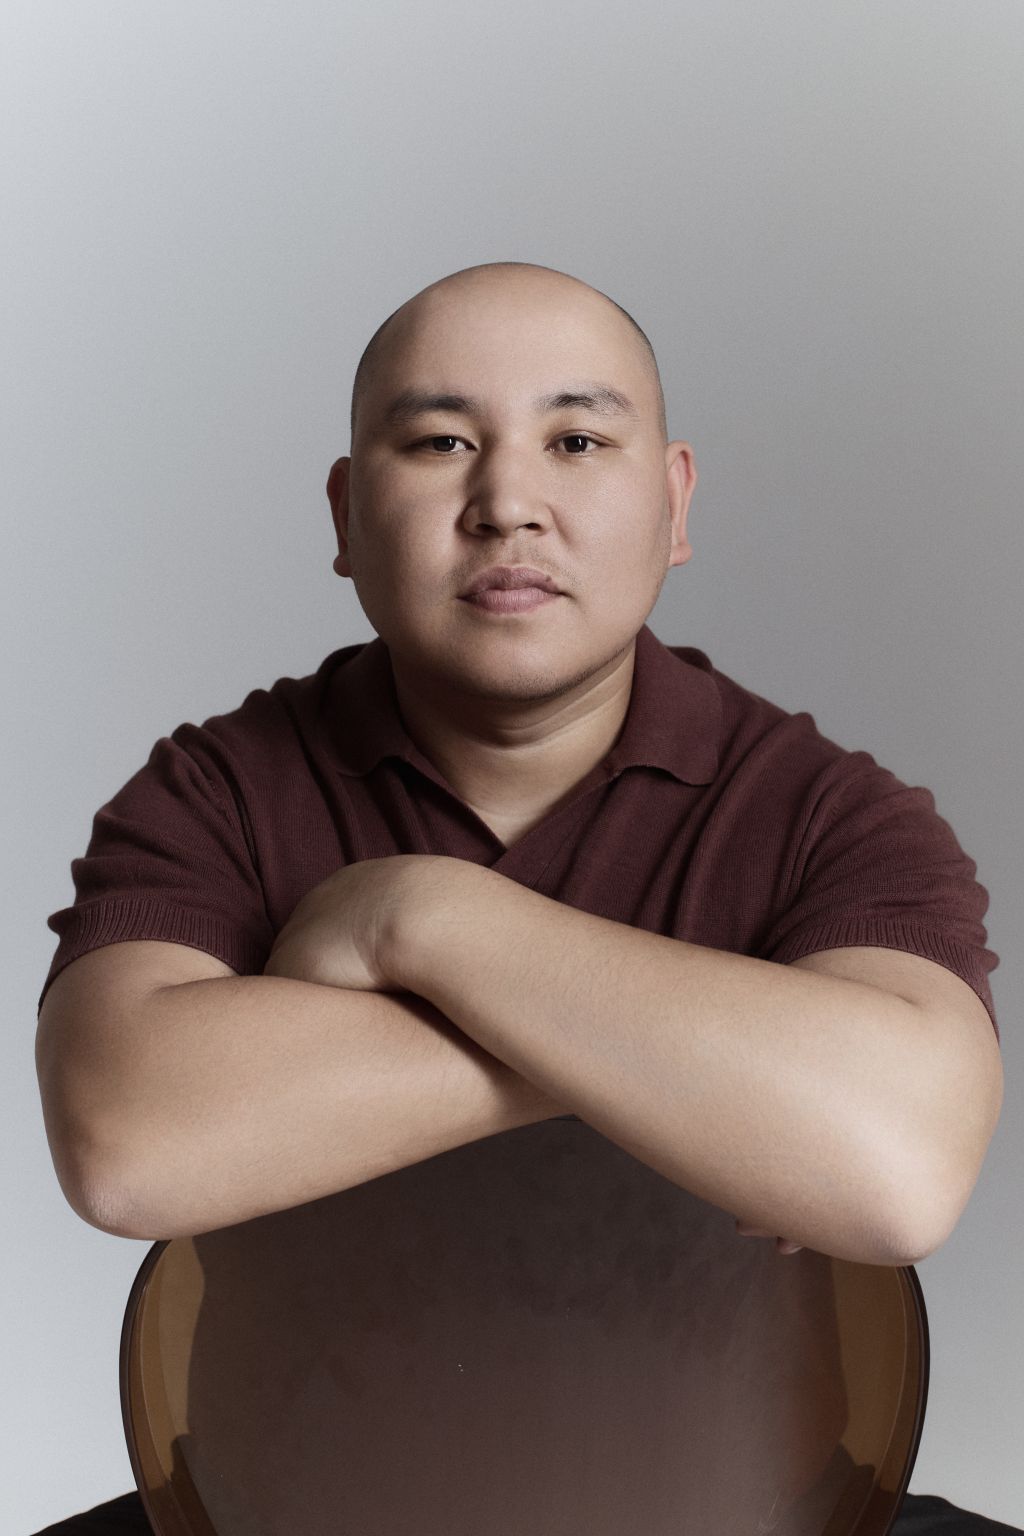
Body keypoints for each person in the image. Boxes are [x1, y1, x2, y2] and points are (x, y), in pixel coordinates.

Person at [33, 261, 1014, 1534]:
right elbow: (127, 1147)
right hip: (277, 1513)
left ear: (673, 502)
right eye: (440, 442)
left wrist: (416, 919)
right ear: (345, 513)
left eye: (576, 441)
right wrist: (710, 1085)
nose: (506, 504)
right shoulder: (215, 792)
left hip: (763, 1515)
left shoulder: (829, 814)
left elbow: (893, 1169)